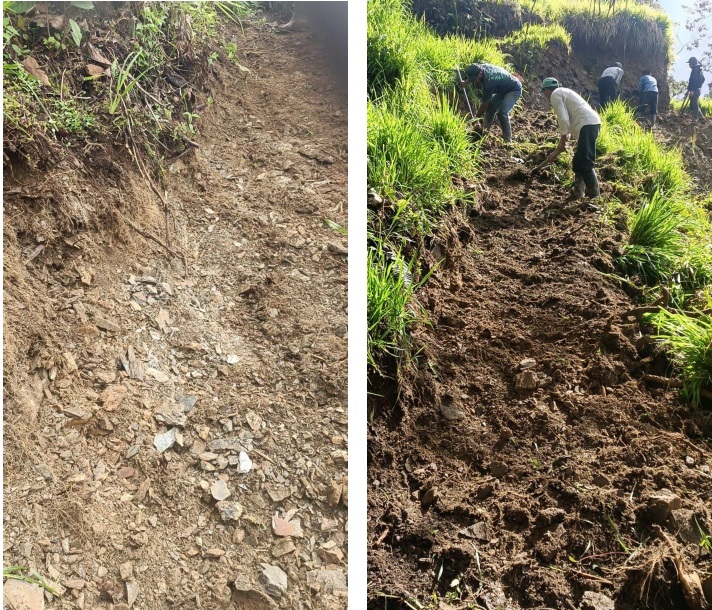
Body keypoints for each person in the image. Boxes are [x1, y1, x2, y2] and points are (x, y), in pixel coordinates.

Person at [539, 77, 602, 199]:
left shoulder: (555, 94)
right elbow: (567, 121)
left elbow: (563, 119)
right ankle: (578, 193)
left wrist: (562, 142)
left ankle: (595, 197)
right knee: (578, 161)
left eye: (543, 92)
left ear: (546, 90)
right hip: (589, 124)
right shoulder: (563, 92)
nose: (544, 96)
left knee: (586, 161)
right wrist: (561, 143)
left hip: (587, 124)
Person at [459, 63, 522, 142]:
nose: (475, 81)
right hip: (504, 88)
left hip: (514, 89)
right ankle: (485, 132)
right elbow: (475, 75)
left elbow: (484, 105)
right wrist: (466, 82)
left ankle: (508, 141)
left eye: (475, 79)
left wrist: (475, 118)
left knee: (502, 112)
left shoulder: (488, 82)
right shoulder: (482, 68)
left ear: (480, 74)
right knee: (490, 107)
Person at [686, 57, 706, 122]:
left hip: (694, 90)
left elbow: (693, 81)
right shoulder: (698, 69)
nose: (689, 64)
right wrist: (698, 87)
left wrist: (692, 90)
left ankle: (694, 120)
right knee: (694, 103)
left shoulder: (695, 70)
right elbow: (703, 79)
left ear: (692, 63)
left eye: (690, 63)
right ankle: (701, 118)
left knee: (694, 105)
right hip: (697, 90)